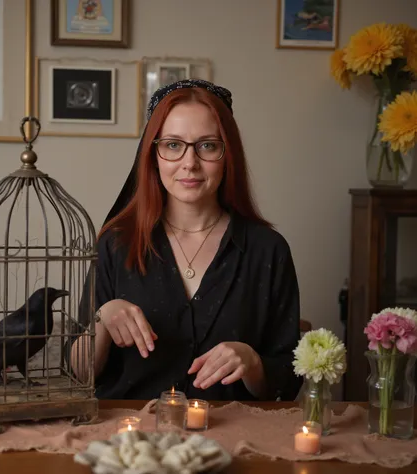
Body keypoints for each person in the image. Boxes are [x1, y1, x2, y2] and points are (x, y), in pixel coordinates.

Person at [70, 79, 302, 401]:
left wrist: (252, 363)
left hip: (234, 438)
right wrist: (103, 318)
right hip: (130, 442)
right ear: (152, 155)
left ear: (227, 154)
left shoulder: (268, 251)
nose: (189, 163)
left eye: (207, 145)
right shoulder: (114, 244)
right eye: (173, 145)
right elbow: (78, 375)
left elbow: (287, 384)